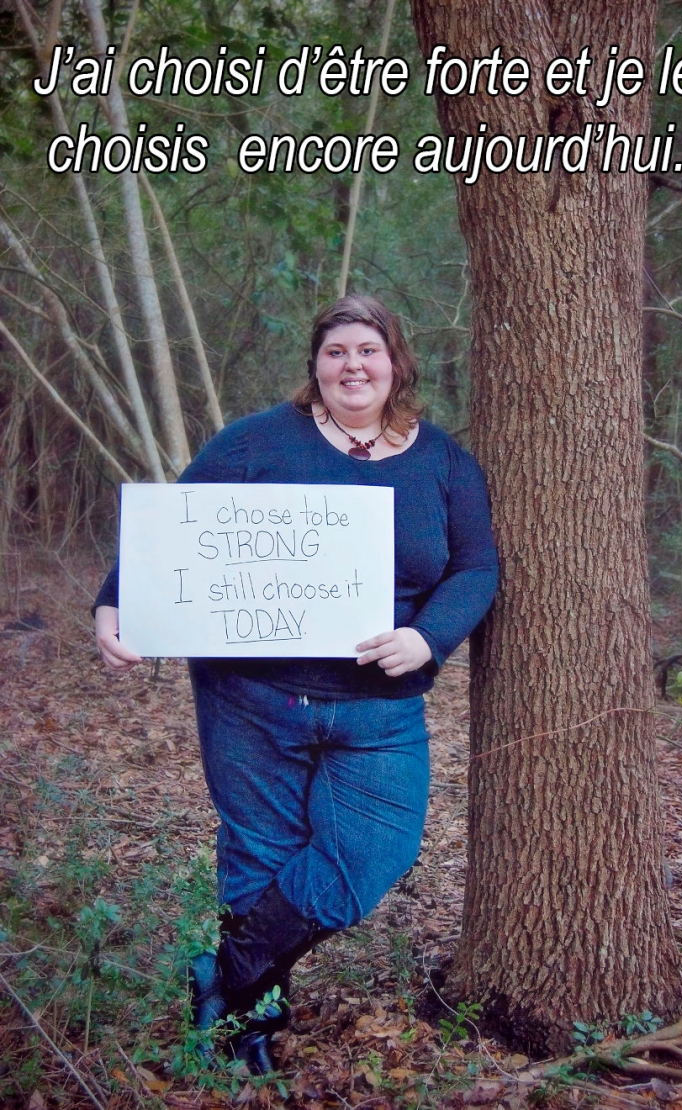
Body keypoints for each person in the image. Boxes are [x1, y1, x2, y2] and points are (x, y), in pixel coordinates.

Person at [94, 294, 498, 1074]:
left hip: (377, 706)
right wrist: (115, 600)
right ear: (316, 364)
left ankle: (227, 978)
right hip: (251, 696)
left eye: (368, 351)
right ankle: (250, 1029)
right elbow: (171, 528)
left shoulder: (443, 461)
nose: (353, 365)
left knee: (373, 853)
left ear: (396, 364)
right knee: (259, 851)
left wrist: (428, 635)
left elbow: (476, 565)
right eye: (337, 351)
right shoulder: (256, 442)